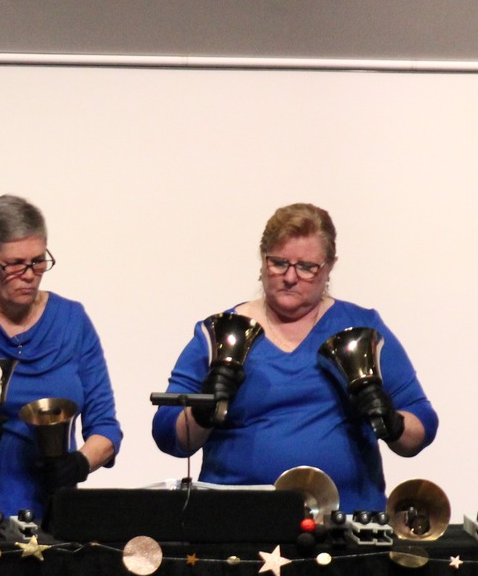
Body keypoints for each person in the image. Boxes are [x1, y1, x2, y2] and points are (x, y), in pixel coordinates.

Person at [151, 202, 437, 511]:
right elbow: (168, 435)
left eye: (306, 267)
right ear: (263, 262)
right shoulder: (221, 332)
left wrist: (391, 422)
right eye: (279, 263)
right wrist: (205, 410)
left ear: (328, 268)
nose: (290, 277)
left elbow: (420, 428)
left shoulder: (362, 328)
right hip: (237, 519)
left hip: (347, 519)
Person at [0, 194, 120, 522]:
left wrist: (78, 464)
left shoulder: (72, 321)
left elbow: (106, 428)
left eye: (38, 261)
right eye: (15, 264)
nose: (30, 274)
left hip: (50, 517)